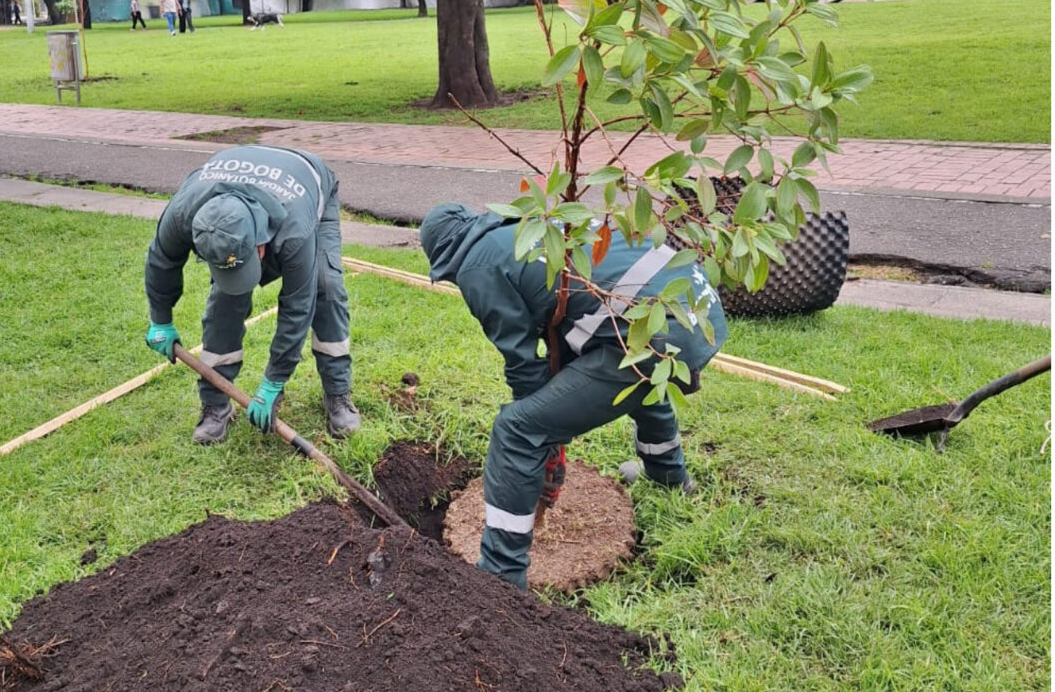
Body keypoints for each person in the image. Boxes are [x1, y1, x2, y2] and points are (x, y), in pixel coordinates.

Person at [417, 202, 725, 591]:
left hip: (653, 328)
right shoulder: (533, 224)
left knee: (516, 428)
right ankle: (668, 474)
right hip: (692, 307)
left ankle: (500, 576)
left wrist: (546, 434)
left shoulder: (476, 266)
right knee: (641, 375)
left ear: (445, 255)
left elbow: (522, 363)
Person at [143, 144, 358, 442]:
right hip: (240, 171)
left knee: (326, 287)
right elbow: (161, 261)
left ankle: (338, 393)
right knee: (224, 301)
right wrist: (161, 320)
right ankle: (215, 404)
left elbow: (298, 306)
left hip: (309, 185)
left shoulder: (295, 229)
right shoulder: (184, 212)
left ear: (260, 244)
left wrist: (274, 381)